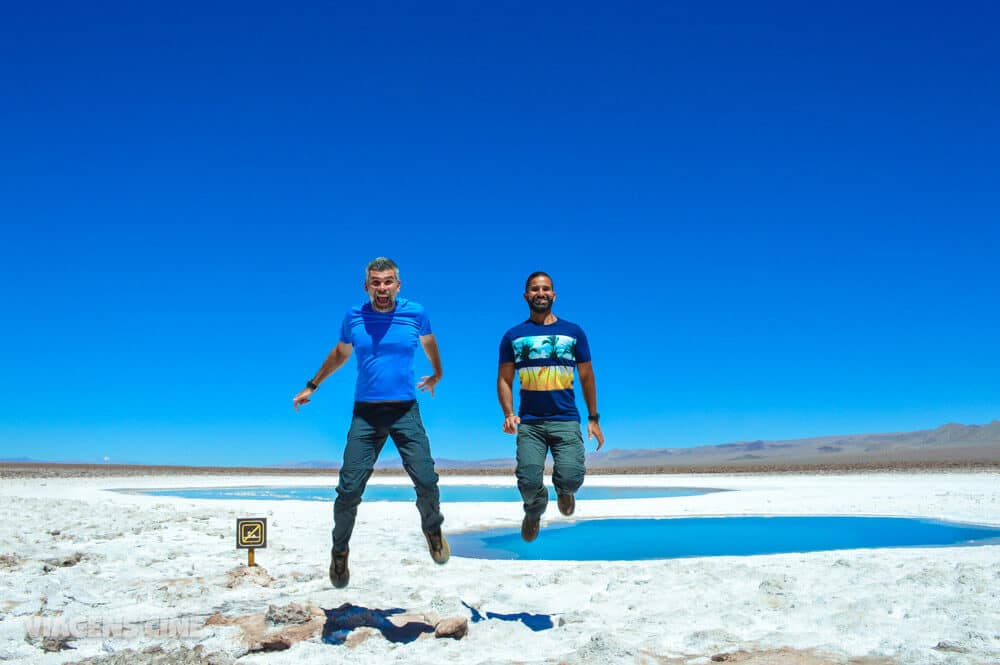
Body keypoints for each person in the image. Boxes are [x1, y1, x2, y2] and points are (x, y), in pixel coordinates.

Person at [293, 257, 448, 589]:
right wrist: (313, 384)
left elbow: (430, 343)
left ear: (398, 285)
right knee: (348, 490)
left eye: (388, 281)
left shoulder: (416, 313)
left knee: (426, 479)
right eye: (375, 282)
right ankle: (339, 551)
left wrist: (437, 372)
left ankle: (432, 530)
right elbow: (340, 353)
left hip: (405, 410)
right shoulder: (353, 318)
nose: (382, 287)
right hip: (366, 413)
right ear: (367, 286)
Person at [497, 271, 605, 542]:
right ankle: (534, 510)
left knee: (571, 477)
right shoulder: (514, 336)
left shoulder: (573, 332)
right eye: (535, 289)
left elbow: (587, 376)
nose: (540, 293)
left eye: (545, 289)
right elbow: (504, 379)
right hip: (530, 423)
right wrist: (509, 414)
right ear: (526, 296)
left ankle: (564, 490)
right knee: (528, 482)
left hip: (565, 418)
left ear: (554, 295)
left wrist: (593, 417)